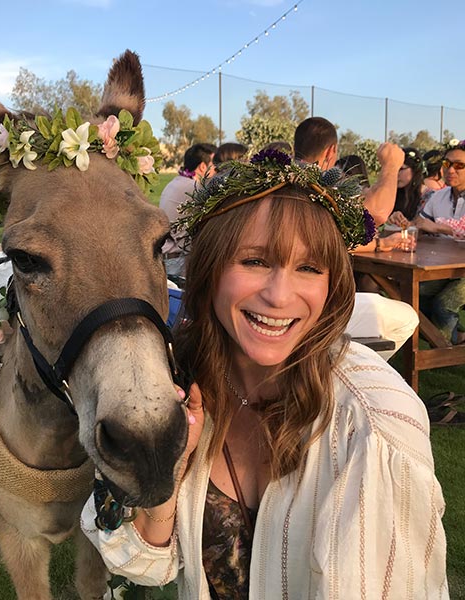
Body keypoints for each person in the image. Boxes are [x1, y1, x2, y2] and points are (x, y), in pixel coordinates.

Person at [82, 150, 447, 599]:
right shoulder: (172, 385)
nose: (279, 295)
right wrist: (168, 476)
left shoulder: (375, 427)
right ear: (210, 269)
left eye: (309, 268)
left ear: (332, 285)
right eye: (255, 261)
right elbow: (142, 564)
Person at [294, 116, 404, 225]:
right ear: (331, 150)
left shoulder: (284, 174)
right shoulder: (324, 183)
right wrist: (391, 165)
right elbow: (377, 213)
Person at [413, 139, 465, 344]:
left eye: (459, 165)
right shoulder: (438, 196)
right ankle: (455, 339)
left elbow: (431, 226)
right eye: (447, 164)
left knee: (444, 304)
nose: (450, 170)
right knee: (414, 293)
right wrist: (405, 221)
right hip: (443, 267)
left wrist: (439, 227)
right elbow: (421, 223)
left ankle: (440, 352)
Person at [160, 143, 216, 278]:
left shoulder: (175, 182)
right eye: (216, 165)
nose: (217, 171)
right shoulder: (194, 189)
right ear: (203, 166)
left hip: (167, 257)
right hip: (178, 261)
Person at [386, 147, 424, 227]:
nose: (396, 174)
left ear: (415, 170)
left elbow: (425, 225)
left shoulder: (428, 196)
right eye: (394, 169)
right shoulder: (393, 195)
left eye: (401, 169)